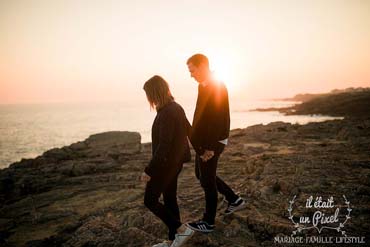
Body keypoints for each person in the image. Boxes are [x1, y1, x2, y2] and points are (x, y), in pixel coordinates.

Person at [185, 54, 246, 233]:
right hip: (204, 141)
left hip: (212, 142)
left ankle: (208, 222)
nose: (191, 75)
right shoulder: (202, 86)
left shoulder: (217, 86)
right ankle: (234, 199)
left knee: (207, 180)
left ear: (202, 66)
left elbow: (220, 118)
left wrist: (209, 147)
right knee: (201, 174)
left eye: (192, 70)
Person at [141, 75, 194, 247]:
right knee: (170, 198)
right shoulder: (175, 107)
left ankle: (181, 228)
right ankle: (174, 240)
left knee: (150, 200)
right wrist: (201, 150)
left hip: (165, 164)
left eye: (148, 94)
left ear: (154, 93)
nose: (148, 98)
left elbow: (163, 145)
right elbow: (189, 130)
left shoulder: (166, 113)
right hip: (175, 163)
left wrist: (149, 170)